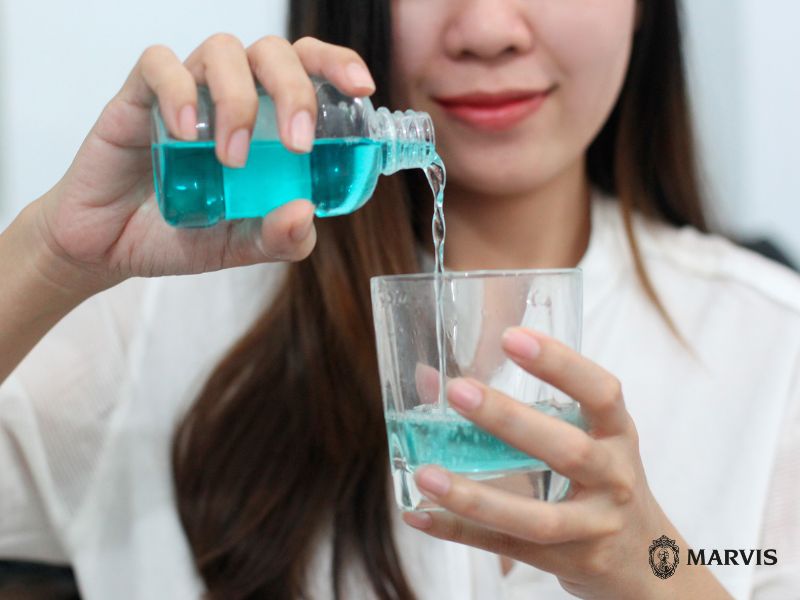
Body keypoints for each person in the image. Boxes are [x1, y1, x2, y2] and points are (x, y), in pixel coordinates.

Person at [1, 0, 798, 598]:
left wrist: (657, 572)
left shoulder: (775, 350)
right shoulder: (146, 326)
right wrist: (53, 254)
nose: (487, 29)